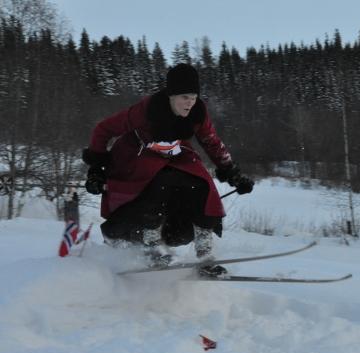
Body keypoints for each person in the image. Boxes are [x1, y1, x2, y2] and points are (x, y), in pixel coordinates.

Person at [82, 63, 253, 275]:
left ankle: (205, 256)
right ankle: (151, 245)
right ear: (170, 96)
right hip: (138, 156)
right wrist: (96, 168)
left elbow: (211, 142)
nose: (189, 103)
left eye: (193, 96)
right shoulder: (147, 110)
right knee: (158, 181)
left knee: (202, 185)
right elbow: (104, 129)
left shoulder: (198, 112)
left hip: (174, 156)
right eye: (184, 97)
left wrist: (233, 173)